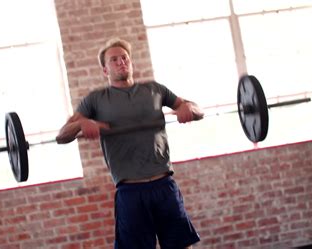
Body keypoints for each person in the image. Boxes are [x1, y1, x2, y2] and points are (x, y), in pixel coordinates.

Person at [56, 38, 203, 249]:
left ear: (131, 62)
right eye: (113, 60)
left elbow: (198, 109)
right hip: (130, 193)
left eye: (124, 58)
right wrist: (82, 123)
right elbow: (62, 136)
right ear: (105, 70)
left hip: (164, 185)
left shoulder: (155, 90)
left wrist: (188, 109)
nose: (120, 62)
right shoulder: (96, 99)